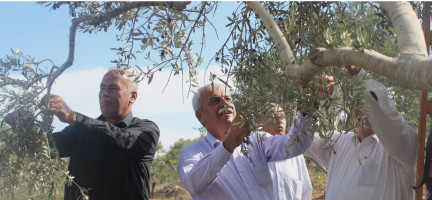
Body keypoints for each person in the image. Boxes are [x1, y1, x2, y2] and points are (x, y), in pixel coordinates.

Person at [177, 84, 312, 200]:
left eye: (228, 99)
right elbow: (194, 184)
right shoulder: (190, 153)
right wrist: (227, 146)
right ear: (200, 116)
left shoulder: (257, 139)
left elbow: (295, 144)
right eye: (215, 101)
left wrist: (307, 110)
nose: (225, 104)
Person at [40, 69, 160, 200]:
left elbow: (124, 141)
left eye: (113, 88)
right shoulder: (80, 130)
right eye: (102, 88)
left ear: (133, 96)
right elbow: (45, 148)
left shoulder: (146, 130)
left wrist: (74, 117)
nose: (105, 93)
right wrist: (24, 127)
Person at [306, 65, 418, 200]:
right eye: (356, 102)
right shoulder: (338, 142)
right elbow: (303, 139)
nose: (358, 106)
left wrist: (359, 75)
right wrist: (313, 102)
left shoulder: (401, 148)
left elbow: (386, 114)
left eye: (364, 101)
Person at [258, 103, 312, 200]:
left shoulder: (296, 155)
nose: (279, 121)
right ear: (260, 123)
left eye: (282, 117)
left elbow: (305, 191)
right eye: (273, 117)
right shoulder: (253, 152)